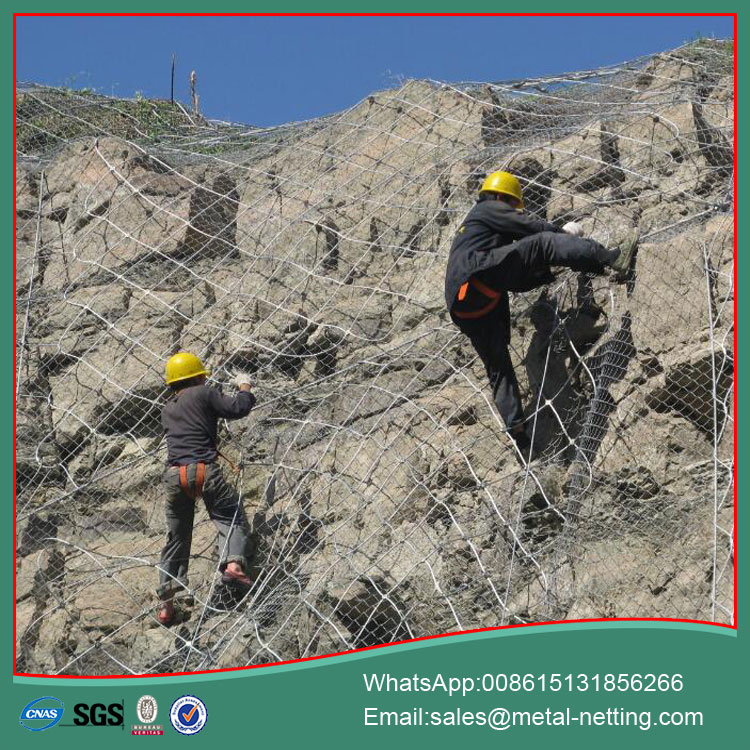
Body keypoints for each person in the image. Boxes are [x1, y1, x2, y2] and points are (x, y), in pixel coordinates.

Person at [444, 170, 635, 460]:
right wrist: (562, 235)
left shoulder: (474, 233)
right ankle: (609, 258)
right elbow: (530, 227)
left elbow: (514, 264)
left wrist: (546, 270)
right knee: (544, 243)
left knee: (498, 367)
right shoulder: (487, 208)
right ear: (501, 198)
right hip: (479, 278)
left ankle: (519, 435)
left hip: (468, 304)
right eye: (510, 205)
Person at [156, 351, 256, 625]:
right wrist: (244, 387)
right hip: (204, 470)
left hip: (175, 476)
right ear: (197, 376)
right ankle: (234, 566)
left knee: (176, 537)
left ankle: (166, 604)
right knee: (229, 516)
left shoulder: (168, 408)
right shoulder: (203, 392)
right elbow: (238, 409)